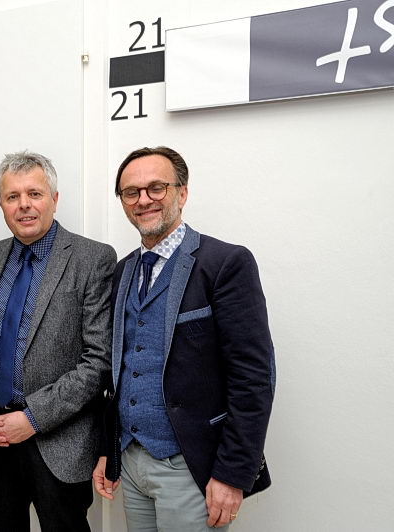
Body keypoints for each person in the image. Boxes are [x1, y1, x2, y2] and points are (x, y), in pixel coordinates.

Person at [92, 146, 275, 530]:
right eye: (131, 192)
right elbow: (119, 369)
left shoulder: (225, 263)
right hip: (131, 462)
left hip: (192, 468)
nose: (144, 200)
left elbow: (253, 377)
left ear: (182, 192)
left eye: (156, 188)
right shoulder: (123, 270)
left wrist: (231, 474)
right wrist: (110, 450)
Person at [0, 151, 115, 532]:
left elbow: (98, 361)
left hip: (57, 443)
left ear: (54, 199)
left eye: (34, 194)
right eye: (13, 196)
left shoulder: (92, 259)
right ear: (1, 205)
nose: (23, 205)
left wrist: (32, 418)